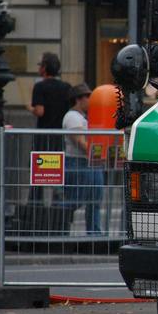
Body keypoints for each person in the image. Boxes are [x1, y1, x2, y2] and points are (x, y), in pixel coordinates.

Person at [61, 83, 104, 235]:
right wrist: (98, 153)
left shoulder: (85, 116)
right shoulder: (72, 117)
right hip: (79, 162)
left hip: (91, 162)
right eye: (88, 97)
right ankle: (56, 225)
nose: (91, 100)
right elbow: (80, 141)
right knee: (75, 200)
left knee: (94, 201)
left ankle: (94, 233)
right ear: (78, 99)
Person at [27, 52, 71, 148]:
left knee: (40, 161)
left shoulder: (40, 87)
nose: (38, 68)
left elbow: (39, 111)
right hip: (61, 134)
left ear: (44, 68)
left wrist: (30, 108)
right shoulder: (67, 87)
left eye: (40, 65)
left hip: (44, 135)